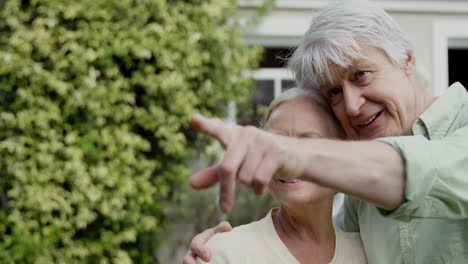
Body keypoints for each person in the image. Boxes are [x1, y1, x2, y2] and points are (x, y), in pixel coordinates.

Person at [185, 1, 468, 263]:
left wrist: (289, 153)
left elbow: (427, 170)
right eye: (334, 91)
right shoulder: (360, 189)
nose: (352, 106)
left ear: (407, 59)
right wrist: (232, 250)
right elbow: (329, 244)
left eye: (361, 74)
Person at [196, 88, 367, 264]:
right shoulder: (225, 253)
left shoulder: (367, 253)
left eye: (308, 141)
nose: (287, 160)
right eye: (276, 143)